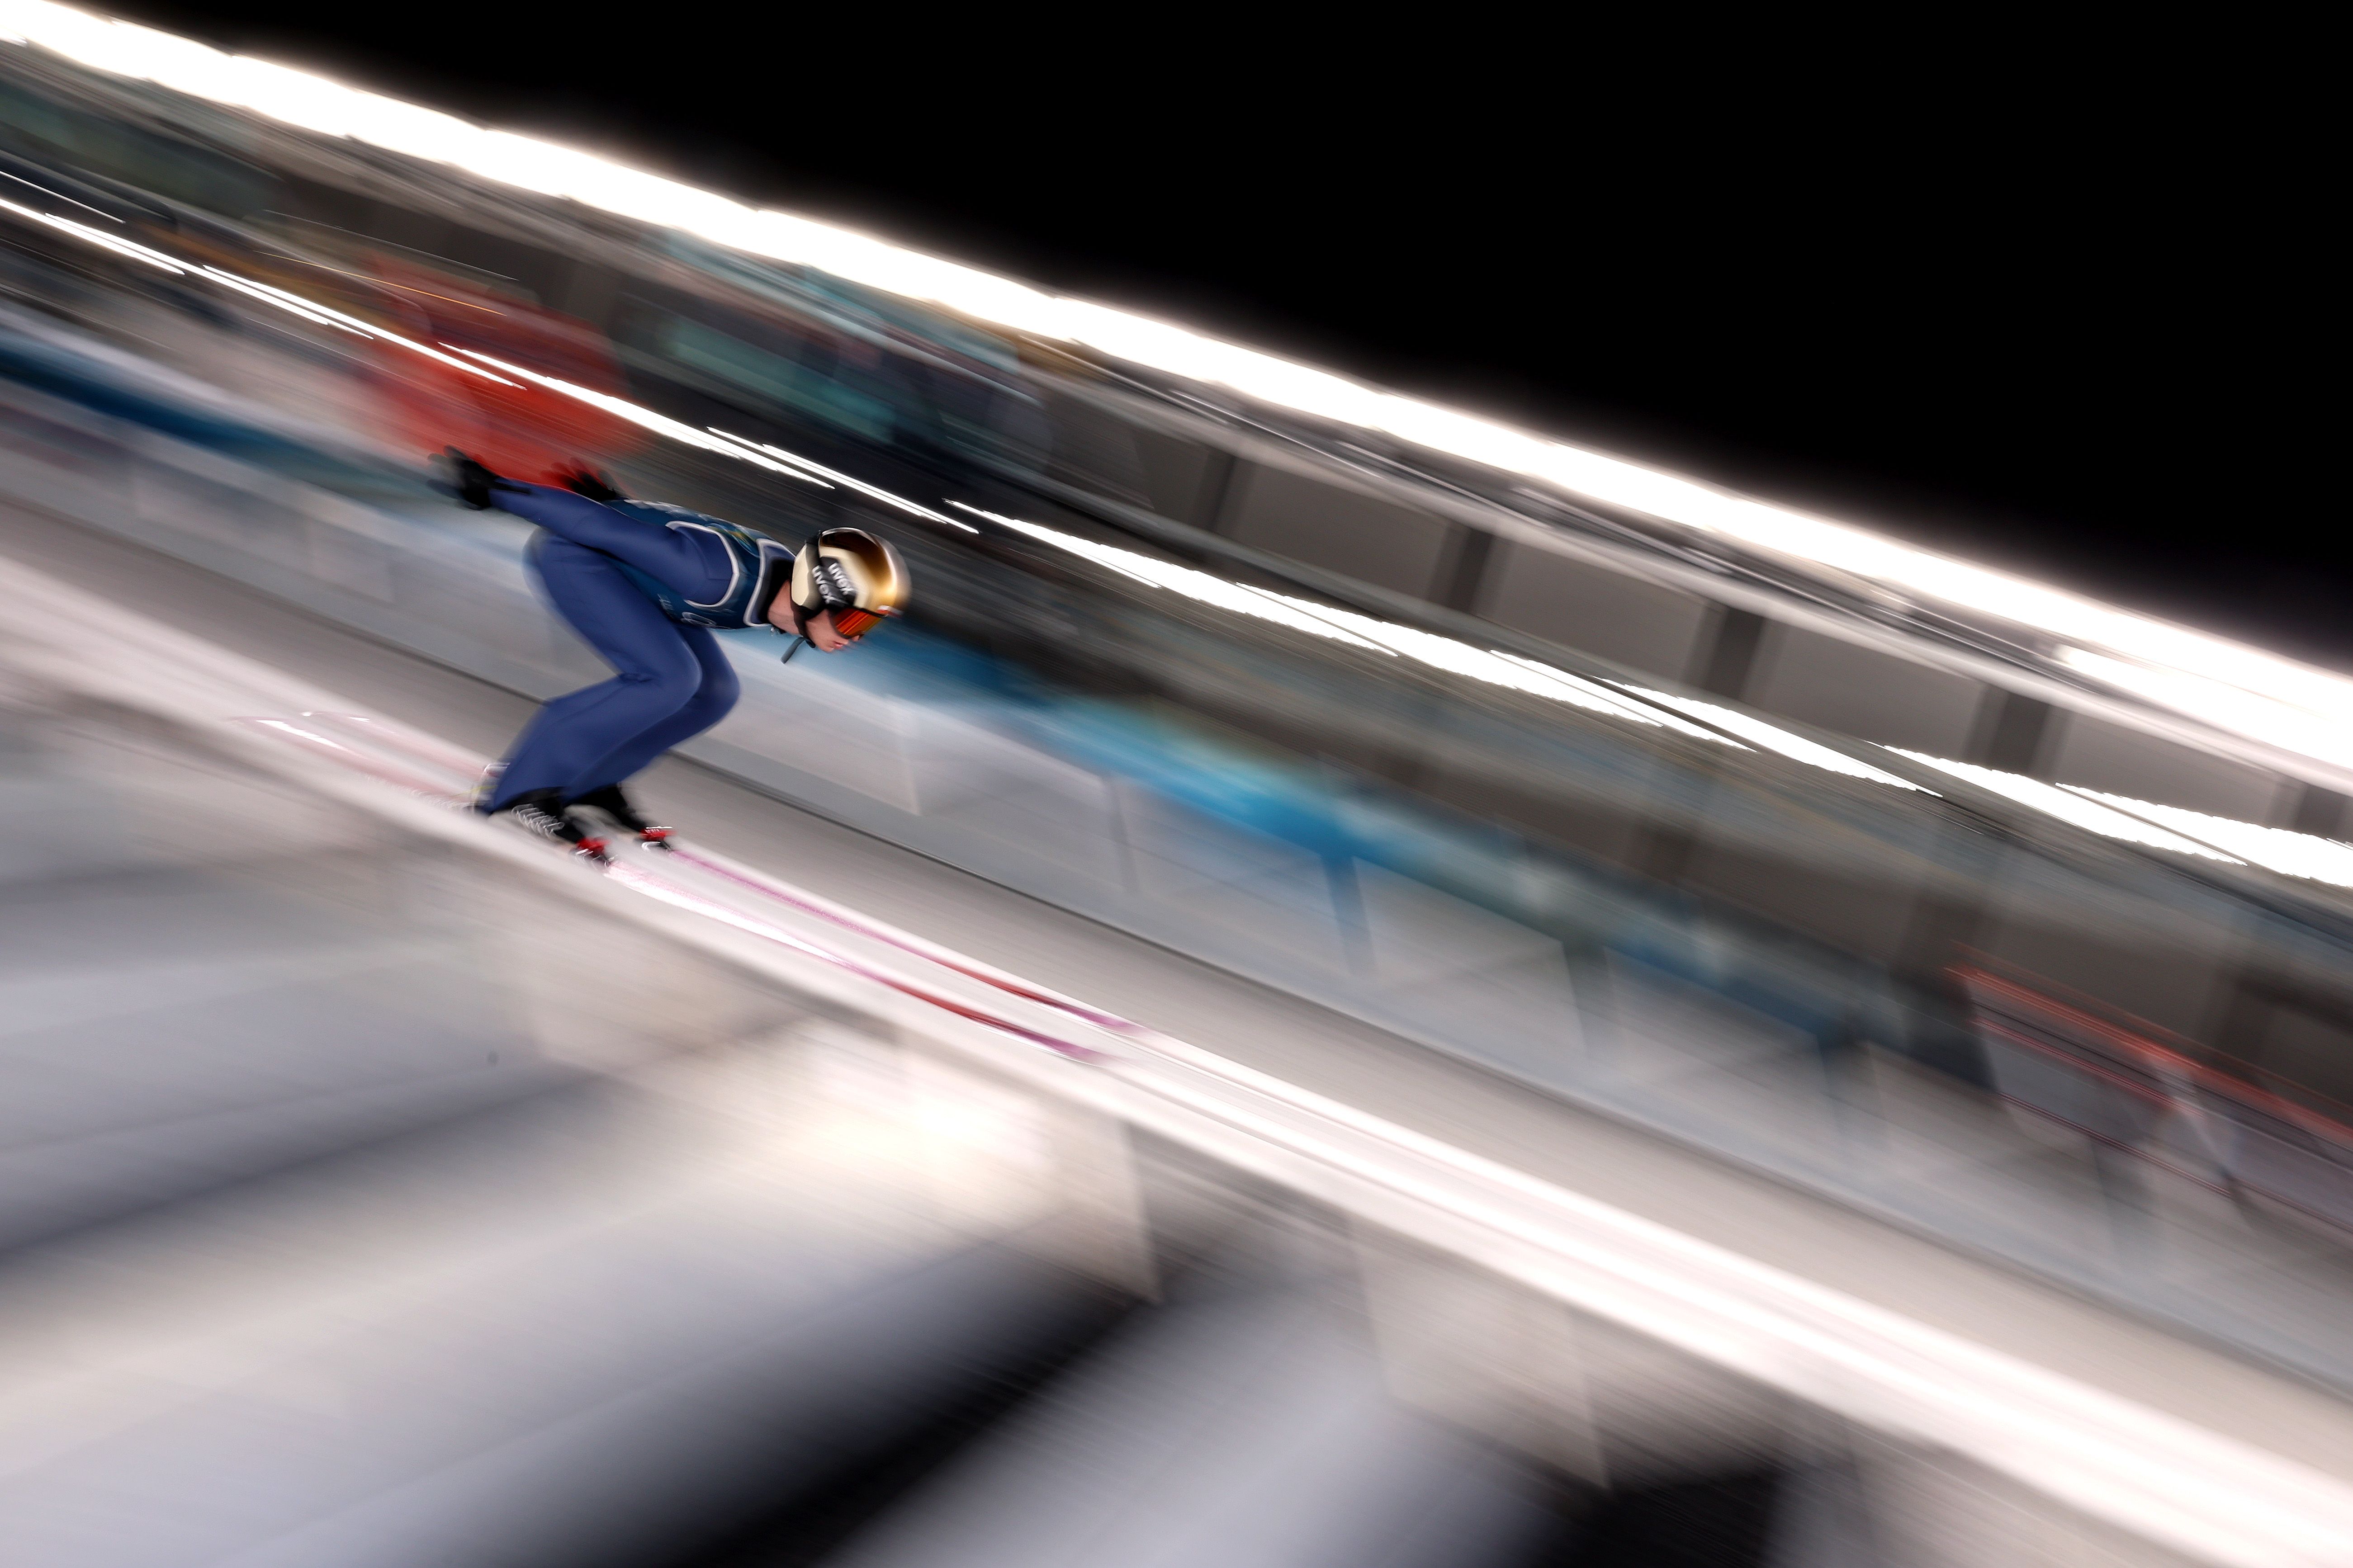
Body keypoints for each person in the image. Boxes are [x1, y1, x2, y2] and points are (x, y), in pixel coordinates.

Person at [433, 449, 908, 859]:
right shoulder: (714, 580)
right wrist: (495, 490)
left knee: (715, 692)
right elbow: (598, 528)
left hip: (631, 578)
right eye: (854, 621)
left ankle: (592, 781)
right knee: (668, 679)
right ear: (818, 594)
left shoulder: (770, 584)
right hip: (575, 557)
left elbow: (682, 527)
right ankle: (523, 789)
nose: (855, 638)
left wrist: (620, 505)